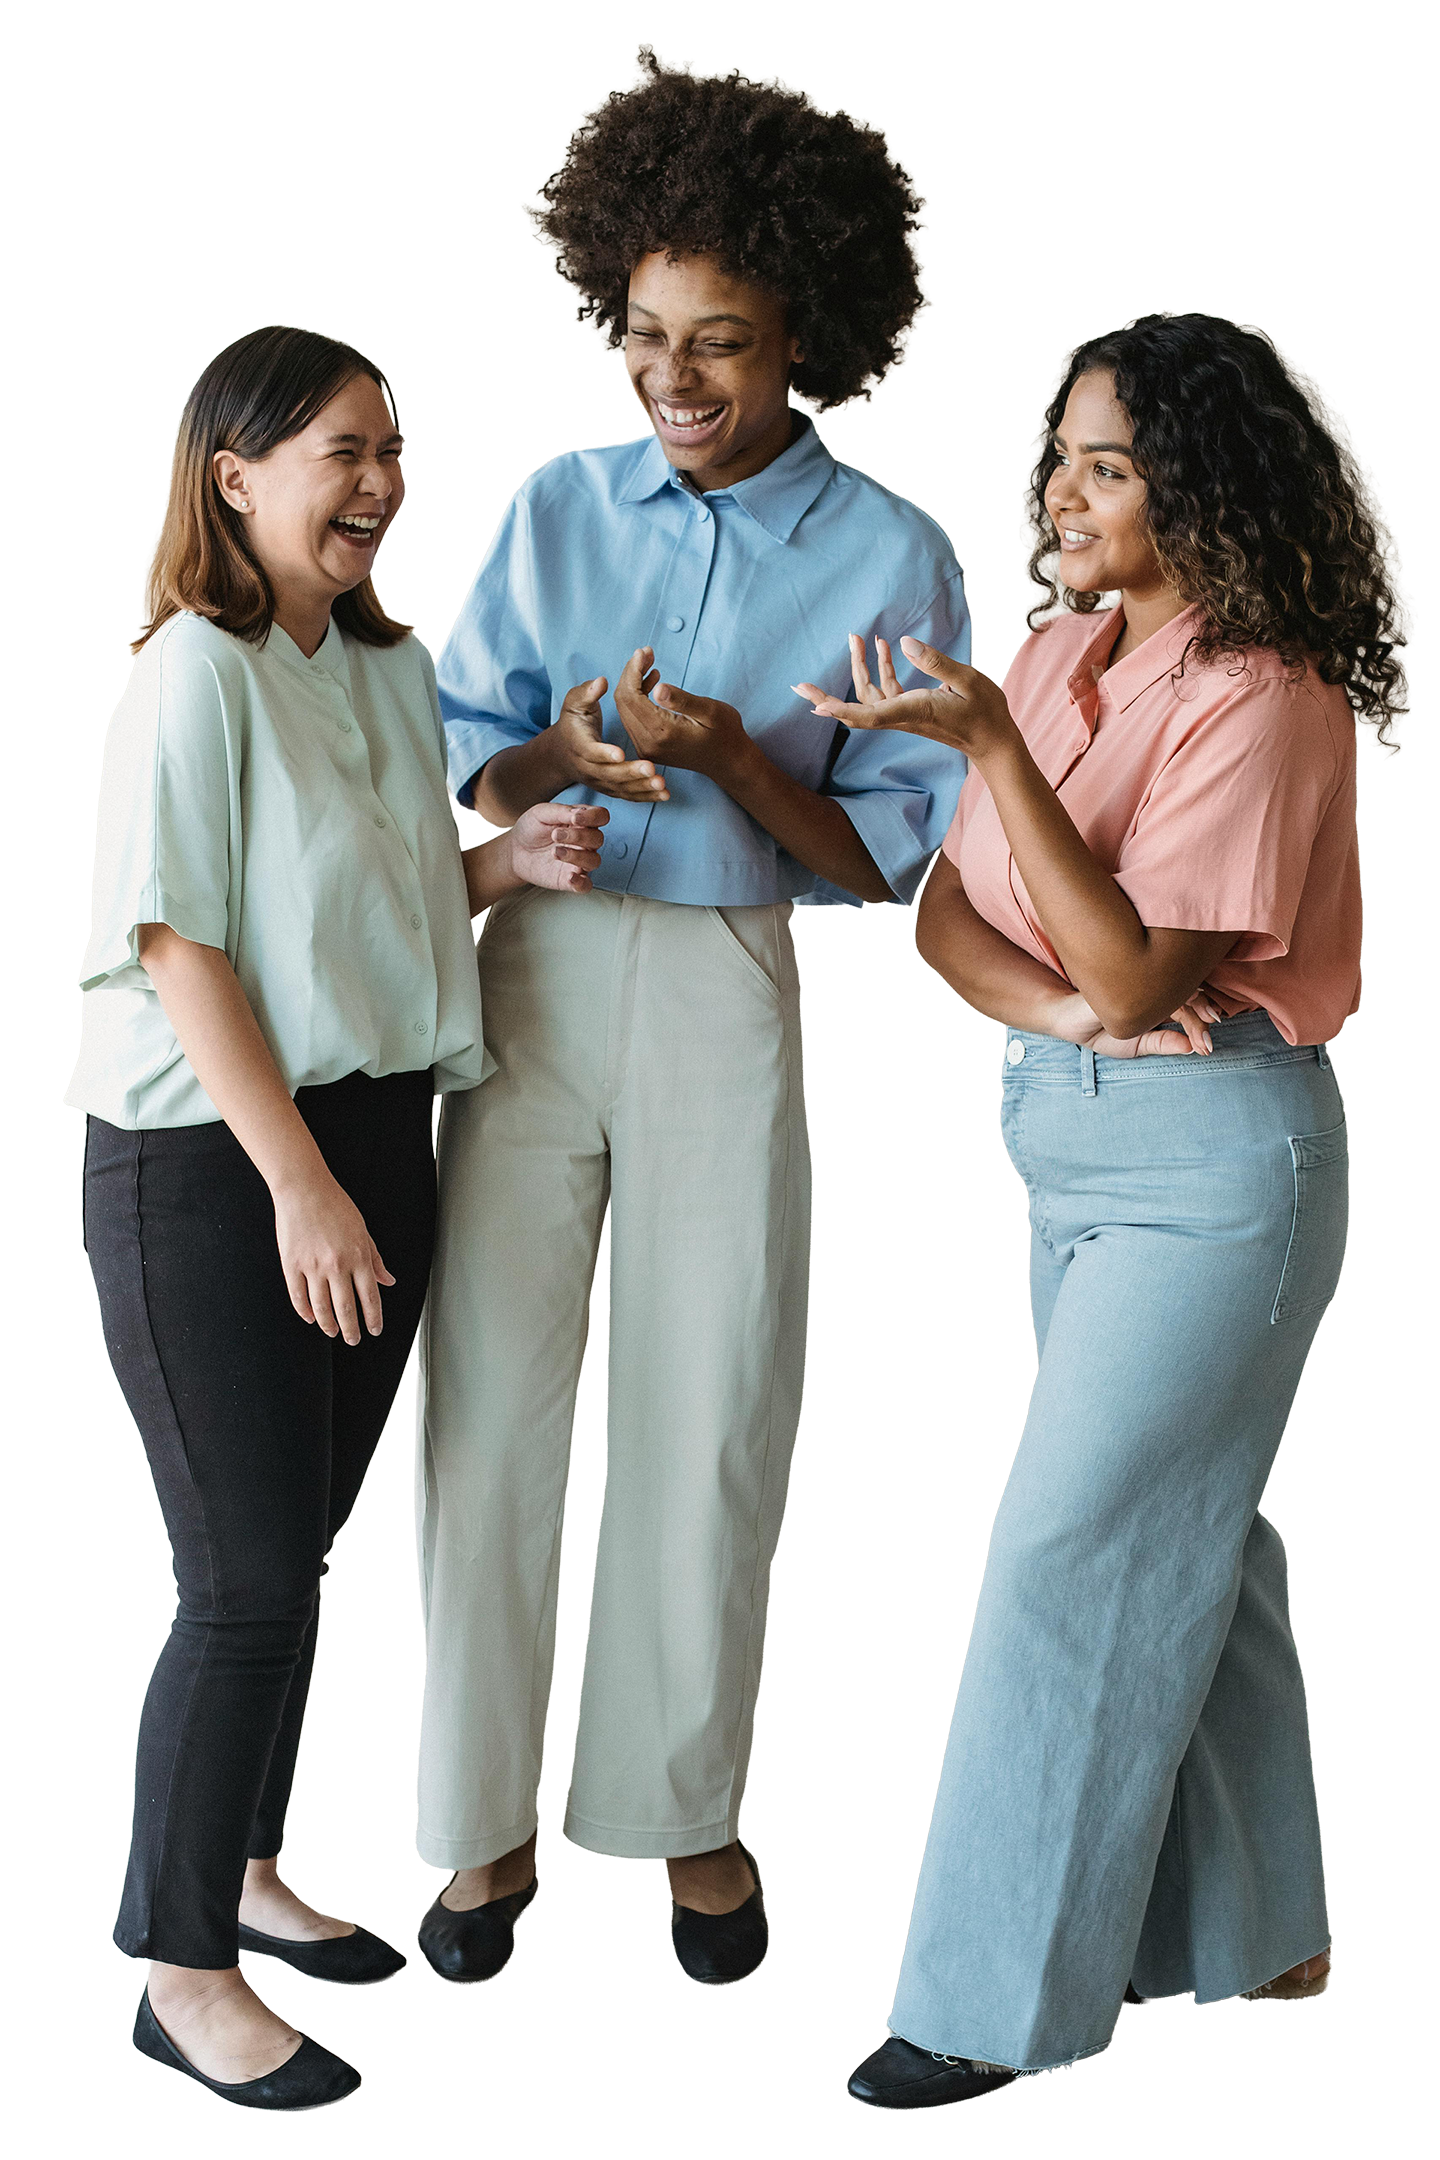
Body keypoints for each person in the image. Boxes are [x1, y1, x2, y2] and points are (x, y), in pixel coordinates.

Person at [791, 312, 1407, 2104]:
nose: (1061, 491)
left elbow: (1148, 974)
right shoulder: (1060, 653)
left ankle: (992, 2014)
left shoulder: (1266, 696)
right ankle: (1244, 1939)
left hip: (1221, 1168)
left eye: (1107, 464)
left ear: (1200, 490)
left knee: (1072, 1553)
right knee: (1190, 1526)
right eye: (1061, 452)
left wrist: (992, 763)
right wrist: (1067, 1011)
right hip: (1071, 1142)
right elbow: (950, 930)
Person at [413, 50, 970, 1986]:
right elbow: (466, 753)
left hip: (726, 985)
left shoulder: (897, 560)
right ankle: (474, 1824)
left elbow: (882, 856)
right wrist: (555, 753)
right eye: (648, 334)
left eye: (719, 341)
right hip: (537, 963)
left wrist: (730, 753)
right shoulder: (564, 506)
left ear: (807, 330)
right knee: (492, 1389)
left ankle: (681, 1805)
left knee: (712, 1397)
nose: (675, 376)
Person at [67, 325, 606, 2111]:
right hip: (222, 1164)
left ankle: (238, 1866)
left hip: (381, 1141)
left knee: (296, 1562)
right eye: (339, 453)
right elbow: (181, 942)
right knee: (237, 1583)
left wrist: (505, 863)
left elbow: (361, 913)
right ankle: (177, 1970)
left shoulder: (384, 670)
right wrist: (295, 1179)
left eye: (391, 449)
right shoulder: (194, 674)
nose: (380, 484)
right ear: (235, 474)